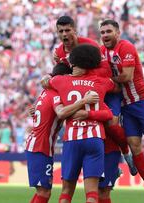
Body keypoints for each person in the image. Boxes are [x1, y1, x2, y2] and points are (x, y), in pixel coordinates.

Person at [49, 15, 137, 176]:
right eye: (60, 31)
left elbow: (106, 71)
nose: (64, 34)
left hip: (102, 89)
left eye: (67, 30)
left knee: (111, 122)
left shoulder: (90, 46)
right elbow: (62, 73)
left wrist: (83, 73)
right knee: (79, 123)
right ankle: (108, 165)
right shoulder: (59, 51)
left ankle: (126, 154)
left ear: (75, 30)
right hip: (80, 92)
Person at [99, 19, 144, 202]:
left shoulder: (126, 47)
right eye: (102, 32)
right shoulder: (102, 52)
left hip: (143, 100)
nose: (105, 35)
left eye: (108, 31)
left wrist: (106, 79)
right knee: (134, 145)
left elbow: (127, 76)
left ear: (117, 32)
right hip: (126, 106)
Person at [47, 44, 117, 203]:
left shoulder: (60, 81)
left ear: (73, 62)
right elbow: (116, 86)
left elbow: (46, 82)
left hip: (72, 139)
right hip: (95, 139)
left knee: (66, 191)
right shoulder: (101, 82)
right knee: (92, 193)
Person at [25, 63, 100, 203]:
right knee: (44, 192)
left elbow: (43, 112)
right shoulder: (55, 93)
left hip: (39, 144)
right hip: (40, 146)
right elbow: (60, 112)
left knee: (43, 191)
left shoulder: (45, 91)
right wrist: (84, 101)